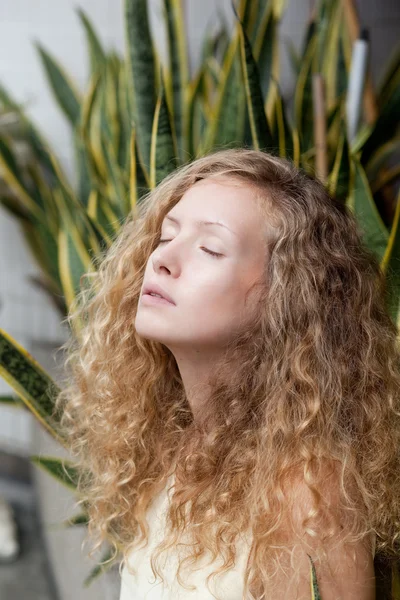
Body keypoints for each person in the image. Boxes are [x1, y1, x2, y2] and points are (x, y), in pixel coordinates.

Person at [54, 148, 400, 599]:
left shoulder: (304, 497)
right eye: (165, 236)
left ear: (286, 295)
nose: (160, 260)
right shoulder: (174, 439)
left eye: (210, 248)